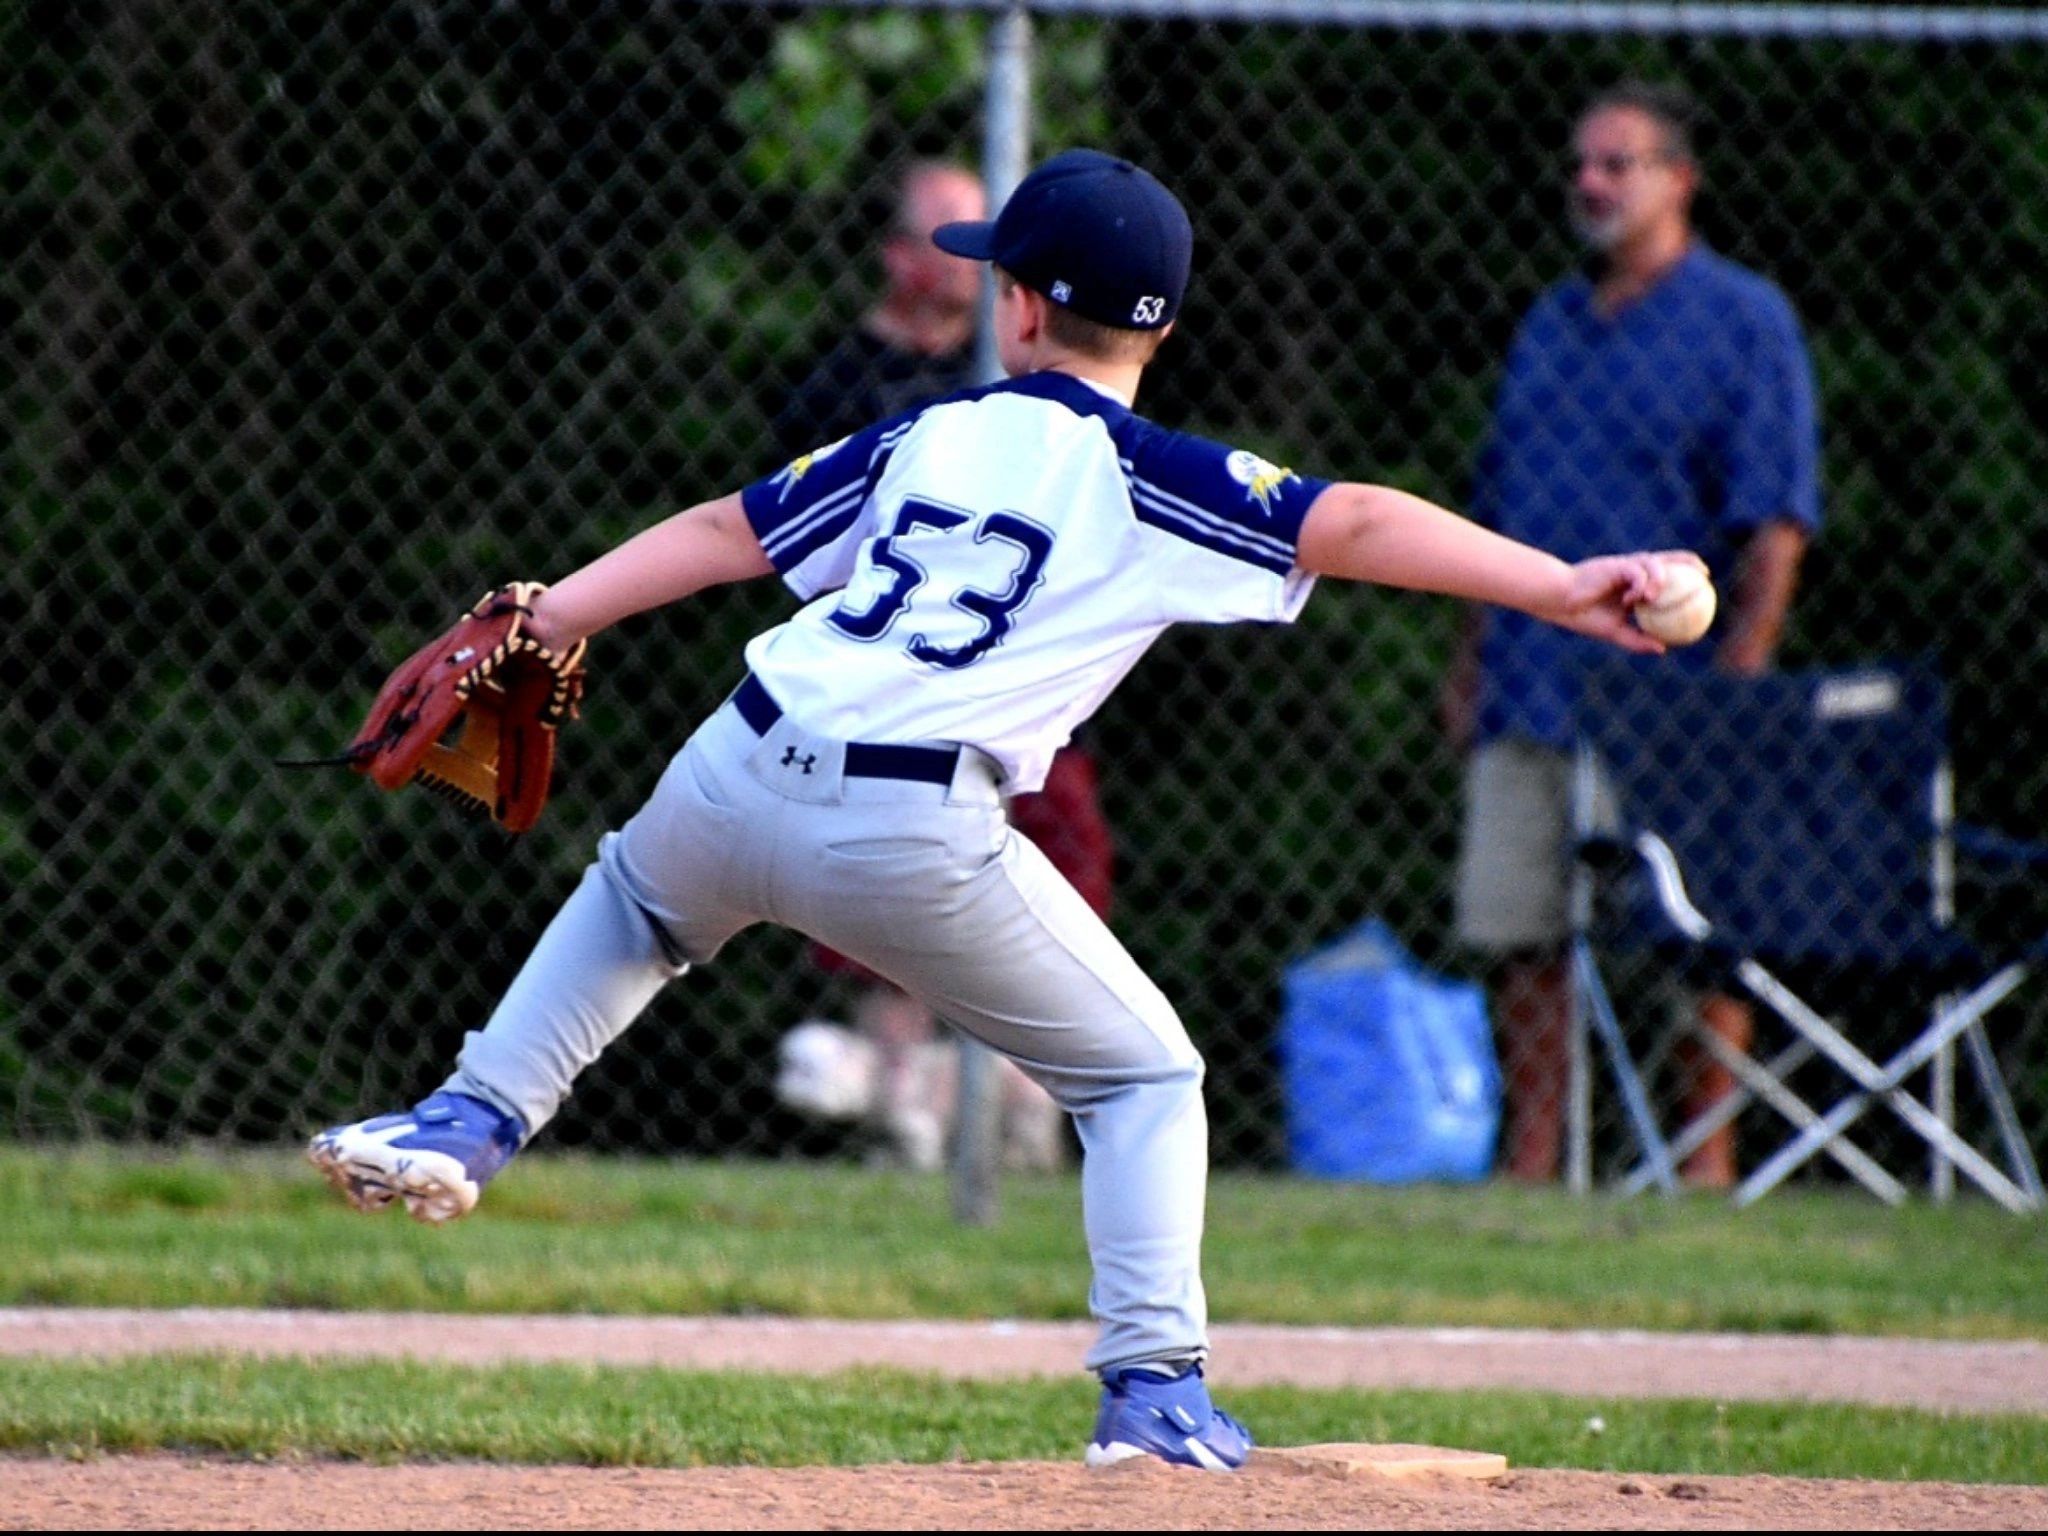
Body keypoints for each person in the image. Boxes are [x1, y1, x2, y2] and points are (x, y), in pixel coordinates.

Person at [310, 147, 1694, 1472]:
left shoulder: (930, 429)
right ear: (1157, 324)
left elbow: (732, 532)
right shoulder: (1155, 476)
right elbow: (1358, 522)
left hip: (736, 756)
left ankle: (470, 1116)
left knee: (635, 900)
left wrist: (554, 608)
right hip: (908, 830)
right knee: (1145, 1078)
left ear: (1022, 305)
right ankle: (1154, 1396)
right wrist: (1566, 585)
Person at [1441, 82, 1821, 1188]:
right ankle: (1532, 1161)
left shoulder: (1743, 322)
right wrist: (1470, 661)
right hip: (1530, 678)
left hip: (1671, 691)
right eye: (1581, 165)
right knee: (1518, 931)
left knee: (1692, 939)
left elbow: (1774, 526)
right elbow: (1495, 509)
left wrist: (1733, 685)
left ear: (1678, 180)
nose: (1591, 184)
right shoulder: (1549, 323)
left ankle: (1703, 1160)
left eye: (1618, 164)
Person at [774, 160, 1111, 1172]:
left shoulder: (1018, 371)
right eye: (948, 235)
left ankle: (1004, 1112)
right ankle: (904, 1113)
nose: (975, 260)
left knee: (1046, 911)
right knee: (888, 913)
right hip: (895, 702)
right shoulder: (837, 386)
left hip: (1026, 699)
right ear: (893, 255)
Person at [771, 160, 987, 459]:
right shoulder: (833, 388)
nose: (982, 254)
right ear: (901, 257)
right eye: (958, 232)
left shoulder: (1011, 357)